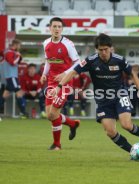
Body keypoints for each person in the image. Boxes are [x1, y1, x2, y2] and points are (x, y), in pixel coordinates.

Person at [54, 33, 139, 155]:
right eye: (101, 50)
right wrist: (59, 86)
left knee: (126, 124)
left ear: (111, 48)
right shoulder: (91, 61)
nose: (104, 52)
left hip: (120, 95)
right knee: (110, 132)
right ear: (96, 49)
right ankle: (133, 151)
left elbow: (132, 73)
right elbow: (73, 72)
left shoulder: (119, 60)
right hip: (102, 100)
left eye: (106, 49)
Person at [40, 17, 80, 150]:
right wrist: (44, 74)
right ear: (50, 28)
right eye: (54, 26)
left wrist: (64, 74)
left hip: (65, 82)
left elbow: (77, 63)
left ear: (62, 29)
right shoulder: (46, 43)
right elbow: (48, 61)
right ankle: (72, 124)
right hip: (51, 81)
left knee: (53, 114)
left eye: (59, 27)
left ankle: (57, 144)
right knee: (49, 115)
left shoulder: (68, 44)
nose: (57, 29)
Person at [0, 39, 27, 118]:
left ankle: (23, 112)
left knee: (5, 95)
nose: (19, 47)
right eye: (19, 45)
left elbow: (16, 61)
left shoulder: (8, 52)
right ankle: (23, 113)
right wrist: (18, 56)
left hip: (11, 76)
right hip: (11, 77)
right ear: (15, 45)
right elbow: (12, 62)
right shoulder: (9, 52)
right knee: (19, 93)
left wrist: (19, 56)